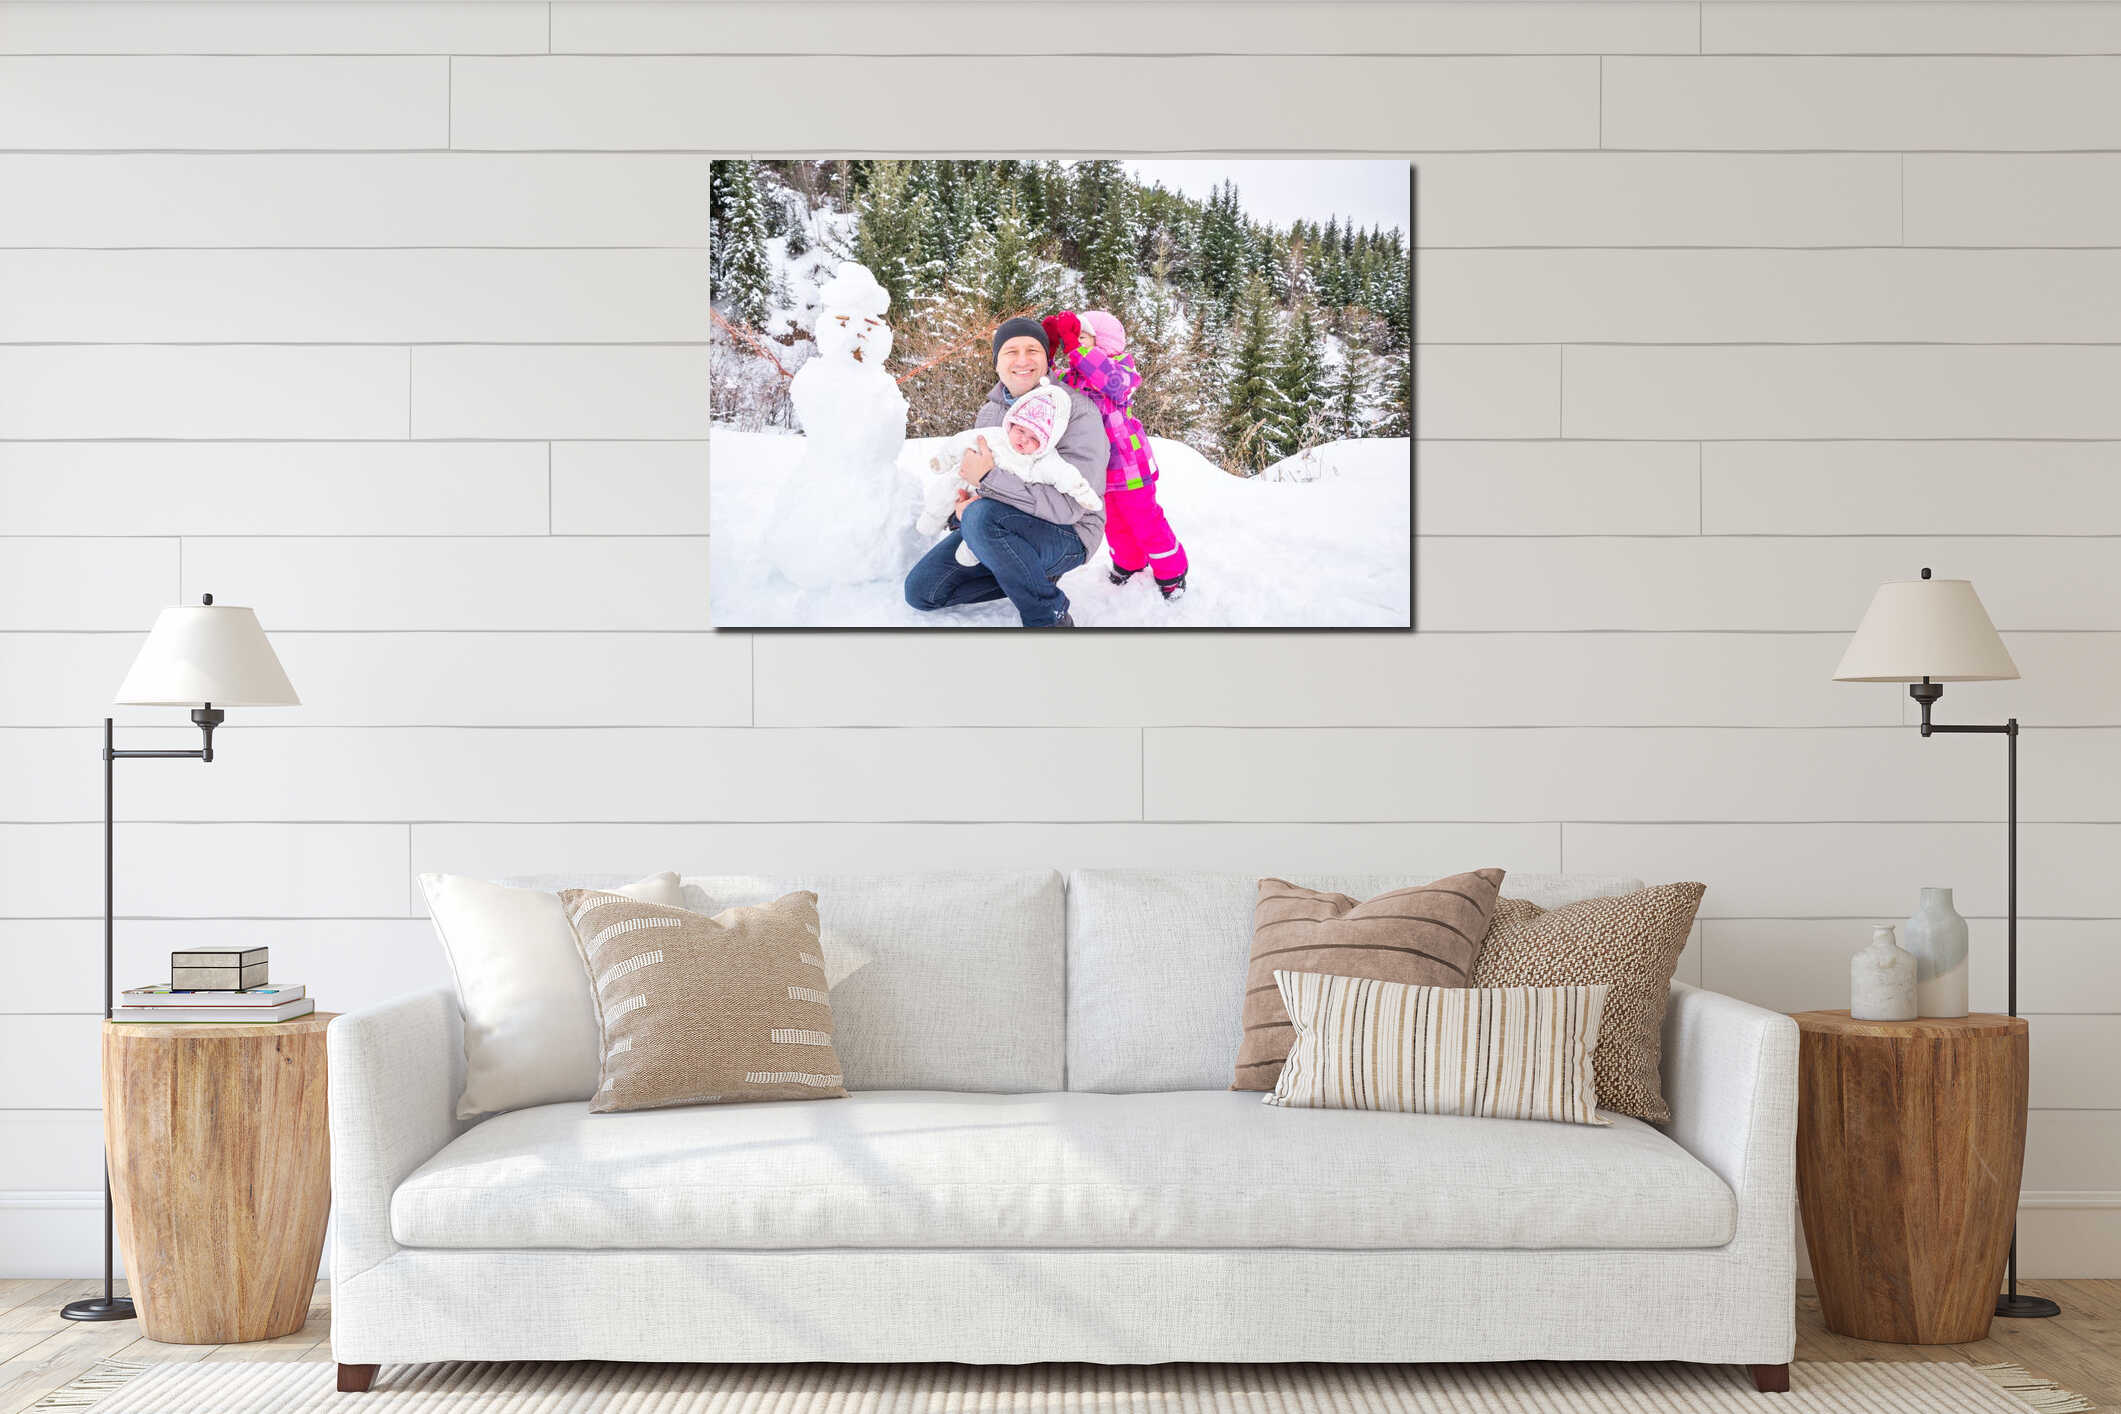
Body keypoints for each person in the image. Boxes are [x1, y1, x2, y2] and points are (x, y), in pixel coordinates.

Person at [902, 317, 1107, 627]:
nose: (1022, 360)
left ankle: (1047, 616)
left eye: (1033, 350)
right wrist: (961, 508)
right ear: (996, 362)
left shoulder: (1076, 411)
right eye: (1011, 351)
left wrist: (988, 482)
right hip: (1000, 526)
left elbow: (1070, 508)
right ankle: (1029, 575)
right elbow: (975, 482)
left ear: (1046, 358)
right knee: (922, 591)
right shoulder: (991, 411)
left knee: (982, 516)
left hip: (1068, 534)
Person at [1045, 309, 1189, 599]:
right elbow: (1048, 387)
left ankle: (1171, 570)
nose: (1073, 345)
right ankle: (1129, 563)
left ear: (1104, 343)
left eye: (1081, 337)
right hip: (1098, 468)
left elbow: (1112, 383)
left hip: (1129, 468)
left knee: (1144, 519)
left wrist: (1075, 349)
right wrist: (1048, 350)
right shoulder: (1074, 377)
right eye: (1071, 339)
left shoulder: (1122, 368)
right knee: (1113, 521)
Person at [916, 381, 1100, 569]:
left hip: (998, 502)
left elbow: (1065, 475)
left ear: (1046, 443)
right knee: (948, 487)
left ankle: (973, 549)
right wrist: (944, 459)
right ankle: (933, 517)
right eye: (1021, 430)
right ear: (1012, 424)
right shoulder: (995, 436)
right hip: (966, 483)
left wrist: (1083, 493)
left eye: (1034, 438)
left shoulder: (1042, 460)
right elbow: (964, 440)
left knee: (984, 518)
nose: (1023, 439)